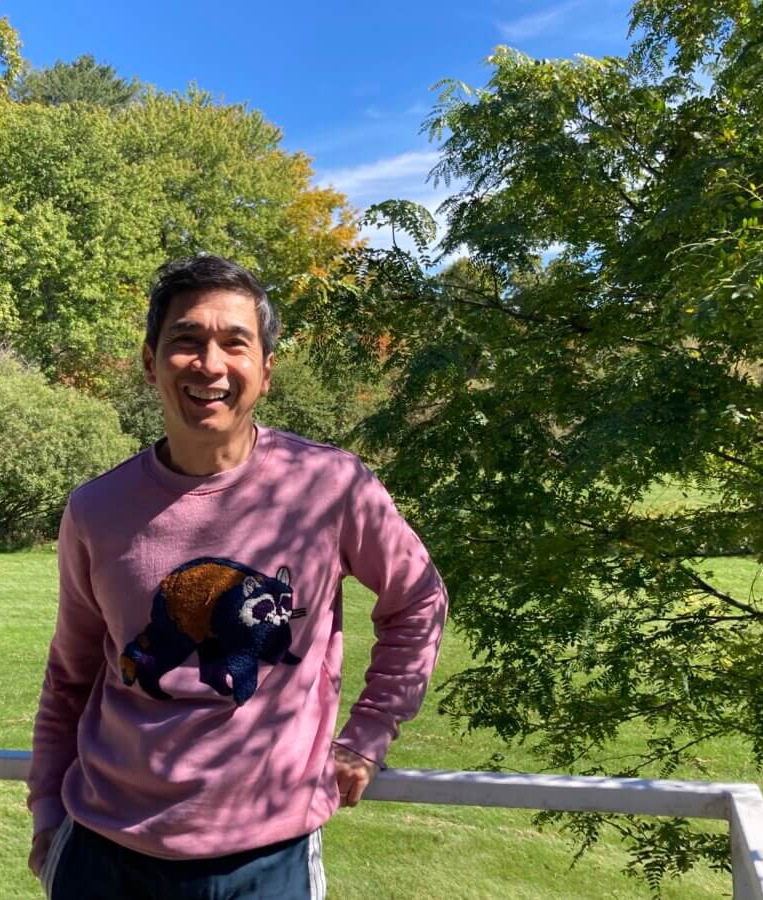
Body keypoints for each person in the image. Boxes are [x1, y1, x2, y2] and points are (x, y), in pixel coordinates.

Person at [26, 255, 448, 899]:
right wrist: (49, 815)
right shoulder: (95, 509)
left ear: (266, 370)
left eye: (235, 343)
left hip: (265, 857)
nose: (210, 364)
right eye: (186, 341)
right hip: (102, 851)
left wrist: (368, 734)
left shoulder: (328, 485)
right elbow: (71, 676)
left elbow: (418, 599)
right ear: (150, 362)